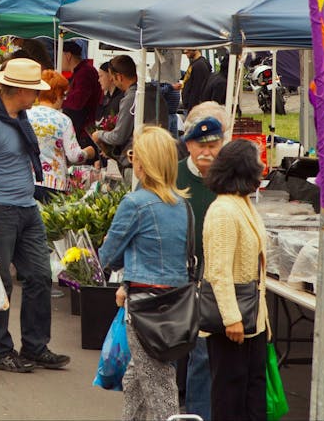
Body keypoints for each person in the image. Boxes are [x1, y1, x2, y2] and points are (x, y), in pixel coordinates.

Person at [0, 58, 69, 373]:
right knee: (1, 283)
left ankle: (35, 347)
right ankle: (0, 351)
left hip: (25, 207)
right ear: (19, 90)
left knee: (39, 275)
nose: (37, 96)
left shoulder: (17, 117)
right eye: (33, 90)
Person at [98, 126, 191, 421]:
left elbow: (109, 253)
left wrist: (96, 260)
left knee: (157, 383)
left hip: (145, 304)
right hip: (176, 302)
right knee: (139, 377)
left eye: (134, 154)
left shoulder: (136, 203)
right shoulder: (182, 205)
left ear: (142, 162)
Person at [202, 139, 269, 421]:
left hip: (251, 319)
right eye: (258, 161)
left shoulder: (241, 203)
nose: (263, 166)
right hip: (234, 322)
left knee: (252, 396)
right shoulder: (223, 210)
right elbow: (219, 271)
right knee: (230, 398)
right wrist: (231, 317)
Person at [177, 112, 227, 421]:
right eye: (200, 145)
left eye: (214, 144)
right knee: (171, 344)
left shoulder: (228, 177)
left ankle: (198, 414)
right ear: (188, 145)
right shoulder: (175, 174)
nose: (207, 152)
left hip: (213, 275)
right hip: (177, 272)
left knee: (202, 351)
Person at [26, 70, 96, 196]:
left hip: (25, 180)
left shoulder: (26, 115)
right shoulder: (64, 120)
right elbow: (74, 156)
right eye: (64, 95)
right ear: (57, 94)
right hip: (53, 184)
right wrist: (88, 152)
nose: (64, 99)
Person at [91, 54, 138, 169]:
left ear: (119, 77)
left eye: (112, 77)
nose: (111, 80)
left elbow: (119, 136)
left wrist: (99, 135)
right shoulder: (144, 94)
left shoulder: (129, 98)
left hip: (134, 160)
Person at [60, 40, 102, 147]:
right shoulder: (81, 71)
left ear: (68, 55)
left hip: (85, 132)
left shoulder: (85, 72)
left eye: (60, 55)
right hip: (83, 128)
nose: (58, 60)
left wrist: (61, 102)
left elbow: (77, 102)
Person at [180, 49, 211, 114]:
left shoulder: (199, 65)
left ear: (196, 48)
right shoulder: (195, 63)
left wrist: (193, 109)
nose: (185, 51)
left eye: (188, 49)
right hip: (190, 107)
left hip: (194, 109)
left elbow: (198, 89)